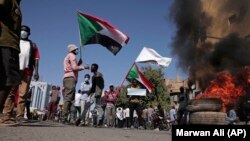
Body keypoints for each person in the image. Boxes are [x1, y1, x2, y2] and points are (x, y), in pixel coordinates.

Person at [1, 25, 40, 124]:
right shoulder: (14, 41)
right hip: (15, 70)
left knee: (23, 94)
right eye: (22, 30)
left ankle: (20, 116)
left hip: (27, 71)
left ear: (29, 33)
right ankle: (7, 114)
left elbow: (36, 59)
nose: (23, 32)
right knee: (11, 92)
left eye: (25, 31)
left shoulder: (33, 45)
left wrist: (36, 72)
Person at [0, 0, 22, 114]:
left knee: (9, 80)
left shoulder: (16, 4)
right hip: (5, 44)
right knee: (7, 80)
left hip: (11, 45)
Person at [62, 44, 89, 123]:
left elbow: (72, 67)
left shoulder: (67, 56)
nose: (77, 51)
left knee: (71, 99)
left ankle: (69, 118)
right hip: (71, 78)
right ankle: (64, 117)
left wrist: (78, 64)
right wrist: (84, 67)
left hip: (66, 78)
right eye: (76, 49)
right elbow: (74, 68)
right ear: (72, 50)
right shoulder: (72, 56)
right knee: (68, 98)